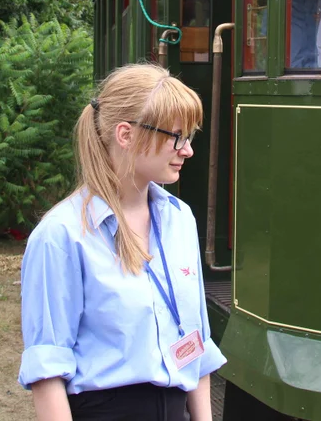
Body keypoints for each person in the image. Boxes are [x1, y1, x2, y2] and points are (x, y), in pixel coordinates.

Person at [18, 64, 226, 421]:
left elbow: (197, 346)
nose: (188, 150)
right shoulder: (61, 236)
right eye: (176, 136)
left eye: (189, 137)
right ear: (125, 135)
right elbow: (48, 372)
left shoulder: (181, 220)